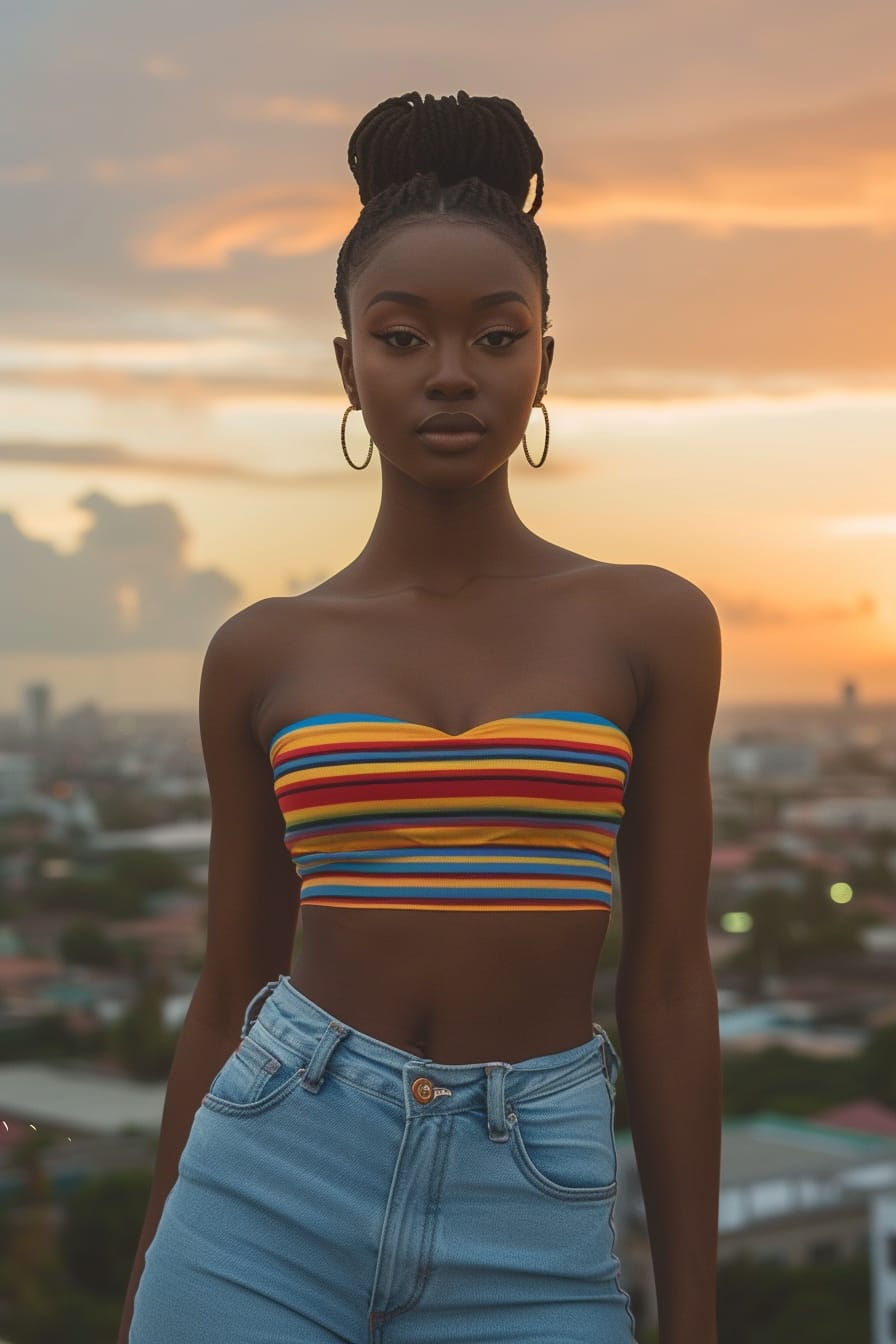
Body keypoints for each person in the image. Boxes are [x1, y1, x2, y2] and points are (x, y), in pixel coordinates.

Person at [121, 90, 722, 1344]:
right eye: (402, 339)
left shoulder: (650, 626)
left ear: (545, 356)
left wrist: (691, 1311)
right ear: (347, 364)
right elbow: (230, 979)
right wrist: (145, 1265)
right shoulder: (261, 653)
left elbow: (666, 985)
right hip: (265, 1186)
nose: (451, 373)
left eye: (495, 337)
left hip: (533, 1206)